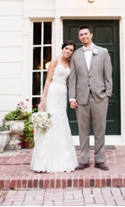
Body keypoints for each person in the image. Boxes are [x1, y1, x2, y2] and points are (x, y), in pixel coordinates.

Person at [29, 41, 79, 173]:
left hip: (62, 93)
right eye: (66, 49)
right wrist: (42, 100)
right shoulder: (54, 61)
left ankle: (63, 158)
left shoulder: (69, 63)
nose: (68, 51)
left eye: (71, 50)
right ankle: (45, 161)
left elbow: (69, 81)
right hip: (53, 92)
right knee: (51, 122)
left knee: (61, 121)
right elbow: (47, 80)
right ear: (62, 48)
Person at [68, 25, 113, 171]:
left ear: (91, 35)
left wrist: (108, 94)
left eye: (86, 34)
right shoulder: (75, 55)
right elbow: (72, 78)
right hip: (81, 99)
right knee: (83, 131)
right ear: (79, 37)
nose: (84, 37)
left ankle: (100, 160)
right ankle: (85, 160)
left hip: (100, 97)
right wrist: (72, 97)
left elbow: (108, 75)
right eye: (81, 35)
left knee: (100, 130)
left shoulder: (103, 52)